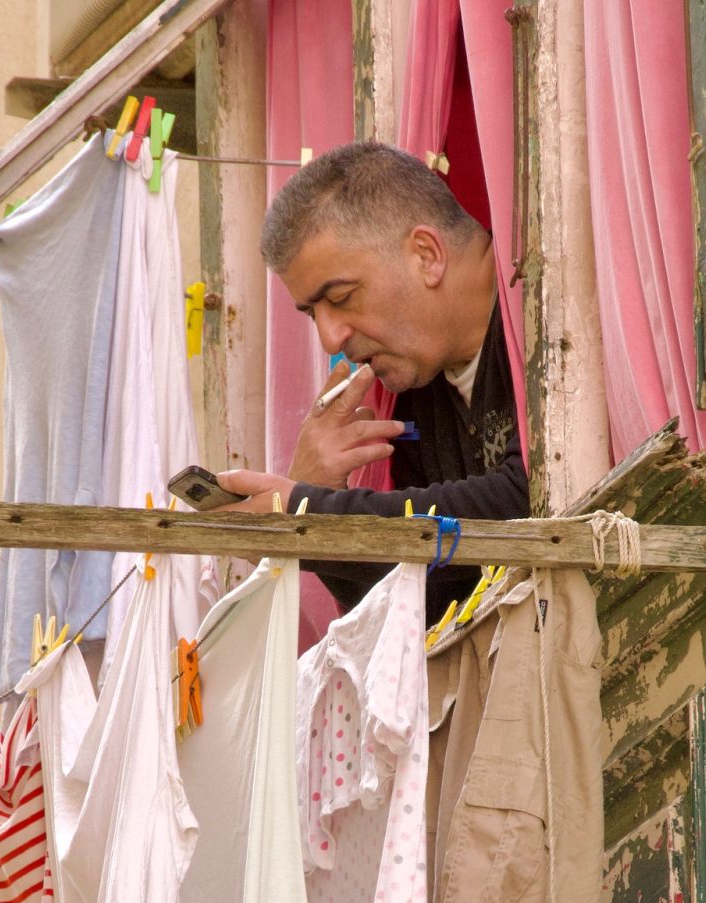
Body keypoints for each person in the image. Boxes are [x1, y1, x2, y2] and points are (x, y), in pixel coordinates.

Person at [216, 142, 526, 619]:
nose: (330, 338)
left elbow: (528, 501)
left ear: (426, 255)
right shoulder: (416, 389)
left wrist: (311, 515)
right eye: (311, 314)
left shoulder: (541, 311)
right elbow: (420, 608)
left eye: (340, 297)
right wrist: (314, 501)